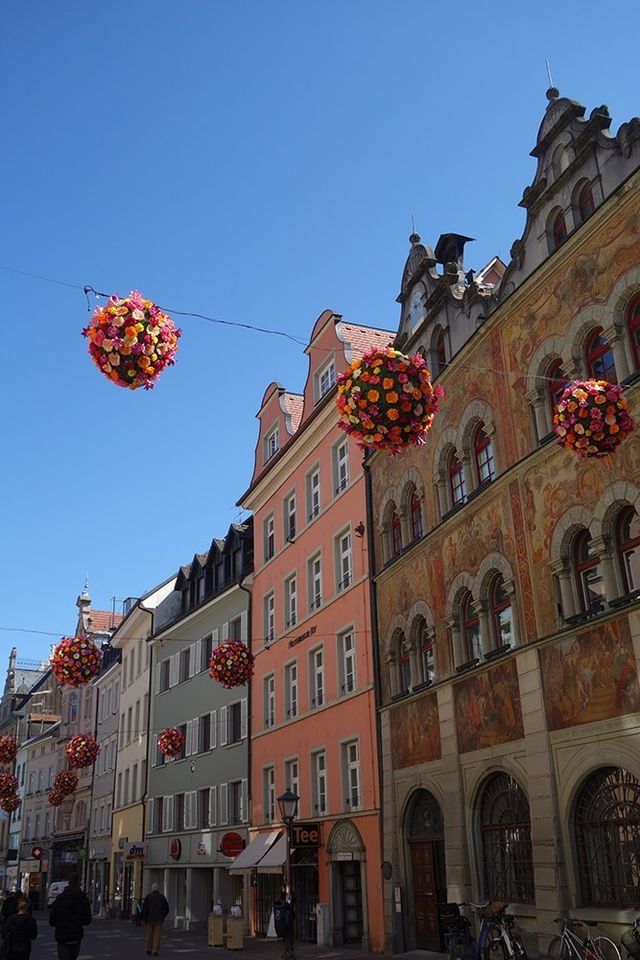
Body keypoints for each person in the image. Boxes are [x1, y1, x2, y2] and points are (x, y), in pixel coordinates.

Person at [49, 875, 91, 960]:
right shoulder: (82, 899)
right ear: (78, 884)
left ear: (68, 883)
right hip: (75, 934)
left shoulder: (59, 899)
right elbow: (87, 920)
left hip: (62, 935)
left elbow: (52, 920)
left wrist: (60, 923)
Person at [141, 883, 169, 956]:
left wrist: (144, 918)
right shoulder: (162, 897)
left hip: (150, 919)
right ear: (158, 889)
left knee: (149, 934)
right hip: (159, 919)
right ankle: (155, 950)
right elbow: (166, 908)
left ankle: (148, 949)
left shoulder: (148, 897)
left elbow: (145, 909)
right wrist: (163, 915)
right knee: (157, 935)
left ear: (152, 889)